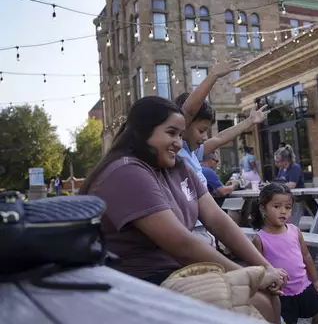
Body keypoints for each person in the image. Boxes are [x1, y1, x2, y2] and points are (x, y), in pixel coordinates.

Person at [79, 96, 288, 324]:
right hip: (141, 281)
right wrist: (250, 276)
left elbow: (217, 220)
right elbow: (182, 245)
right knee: (257, 300)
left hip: (182, 272)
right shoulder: (127, 172)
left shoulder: (178, 167)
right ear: (142, 131)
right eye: (171, 133)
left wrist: (265, 266)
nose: (178, 142)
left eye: (180, 134)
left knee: (270, 294)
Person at [173, 59, 268, 243]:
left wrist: (248, 122)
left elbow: (219, 138)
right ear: (182, 126)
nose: (204, 137)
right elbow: (188, 110)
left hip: (204, 226)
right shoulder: (178, 148)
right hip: (190, 229)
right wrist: (213, 75)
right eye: (201, 130)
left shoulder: (193, 152)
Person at [251, 183, 318, 324]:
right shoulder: (260, 239)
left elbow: (306, 256)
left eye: (288, 207)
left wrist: (315, 280)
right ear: (263, 208)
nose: (283, 211)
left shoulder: (294, 231)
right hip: (280, 294)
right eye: (277, 206)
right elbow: (258, 269)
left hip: (303, 285)